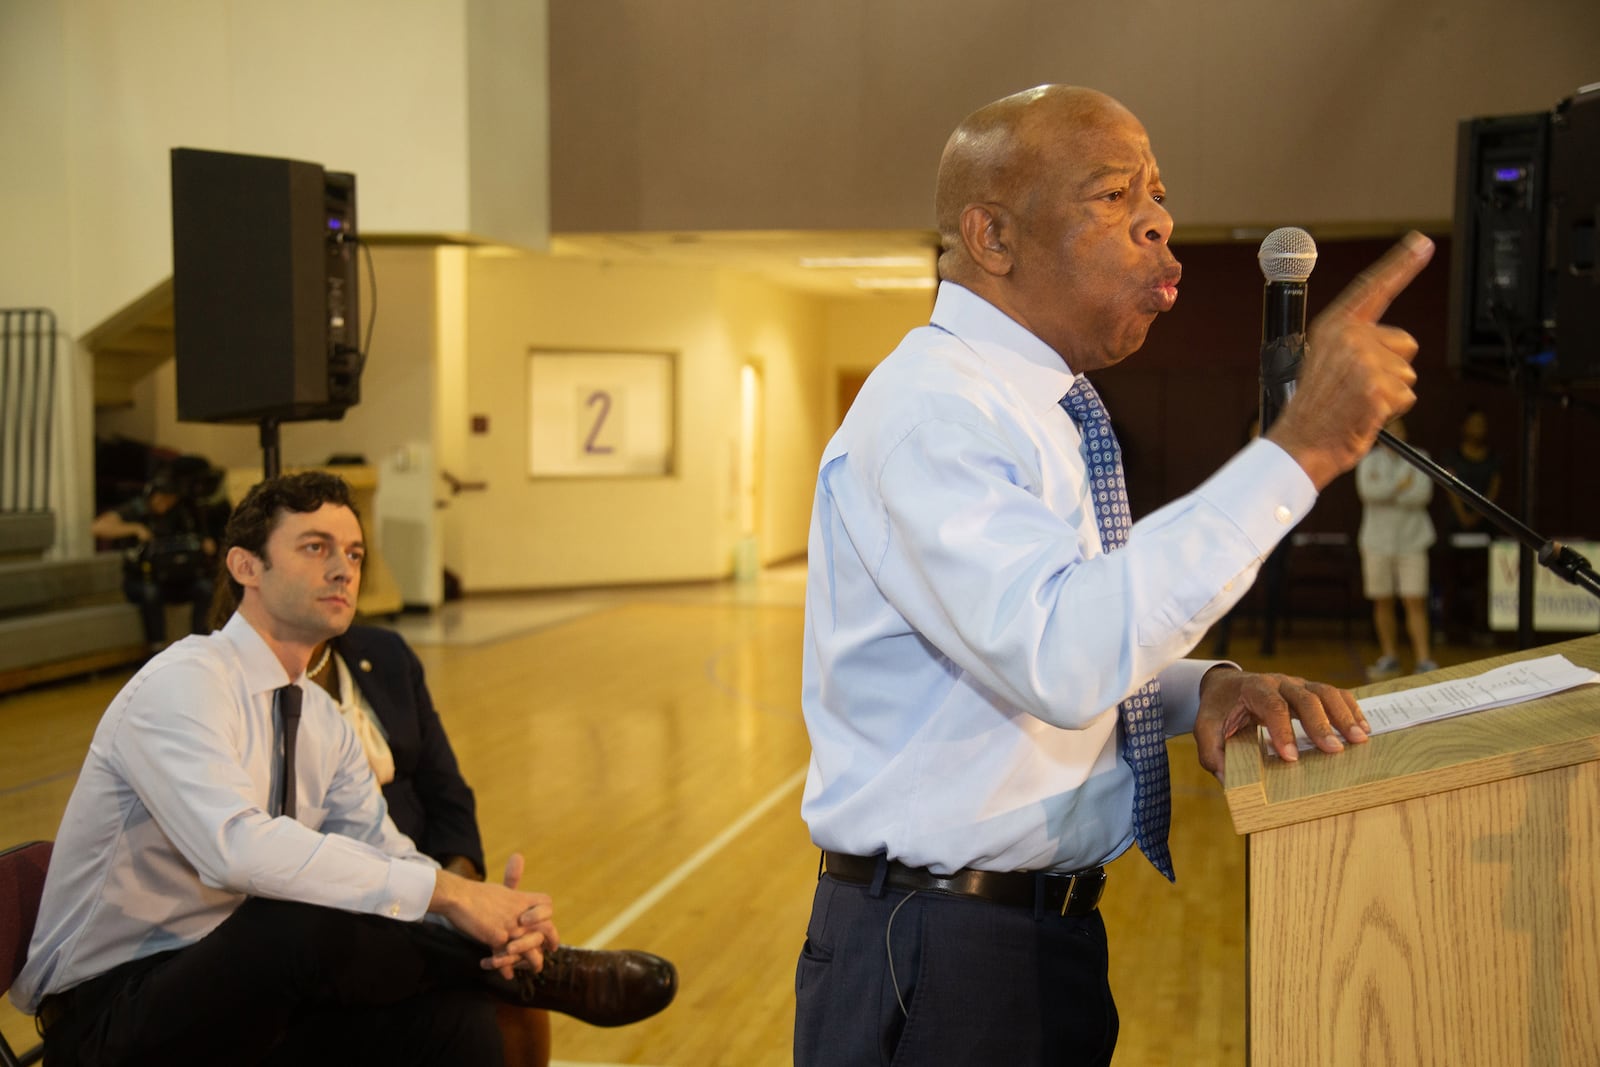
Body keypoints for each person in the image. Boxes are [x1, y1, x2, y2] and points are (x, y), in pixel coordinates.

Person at [793, 84, 1432, 1066]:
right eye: (1112, 195)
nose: (1159, 220)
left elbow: (1063, 626)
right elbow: (1055, 654)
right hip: (935, 948)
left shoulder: (1043, 406)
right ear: (991, 234)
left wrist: (1205, 685)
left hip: (1028, 936)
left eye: (1160, 194)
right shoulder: (934, 415)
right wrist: (1300, 447)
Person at [13, 471, 673, 1065]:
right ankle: (522, 970)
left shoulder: (323, 721)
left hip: (245, 1000)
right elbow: (235, 850)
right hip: (114, 1017)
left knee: (461, 1031)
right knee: (296, 917)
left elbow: (385, 853)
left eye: (353, 553)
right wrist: (454, 895)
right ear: (246, 565)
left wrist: (483, 912)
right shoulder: (183, 683)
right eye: (315, 547)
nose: (344, 568)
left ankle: (510, 965)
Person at [91, 461, 222, 648]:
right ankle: (156, 646)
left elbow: (201, 537)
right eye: (162, 497)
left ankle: (200, 643)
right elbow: (97, 527)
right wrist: (134, 528)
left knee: (205, 588)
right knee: (151, 593)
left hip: (177, 578)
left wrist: (203, 543)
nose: (165, 503)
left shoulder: (182, 512)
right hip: (143, 579)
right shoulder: (137, 509)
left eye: (170, 498)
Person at [1357, 417, 1437, 678]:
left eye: (1398, 428)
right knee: (1383, 600)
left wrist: (1388, 492)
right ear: (1379, 435)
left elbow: (1421, 495)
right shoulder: (1368, 460)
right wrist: (1399, 487)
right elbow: (1369, 493)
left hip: (1412, 540)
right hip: (1376, 541)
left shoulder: (1420, 457)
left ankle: (1423, 659)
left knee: (1414, 599)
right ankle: (1390, 656)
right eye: (1388, 430)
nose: (1394, 434)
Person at [1437, 407, 1502, 644]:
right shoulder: (1451, 456)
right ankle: (1449, 628)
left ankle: (1481, 628)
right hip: (1455, 527)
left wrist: (1477, 515)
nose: (1478, 429)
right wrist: (1463, 516)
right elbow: (1450, 487)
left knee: (1483, 583)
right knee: (1450, 581)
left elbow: (1493, 489)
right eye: (1473, 423)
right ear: (1463, 427)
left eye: (1482, 424)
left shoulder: (1493, 458)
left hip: (1484, 527)